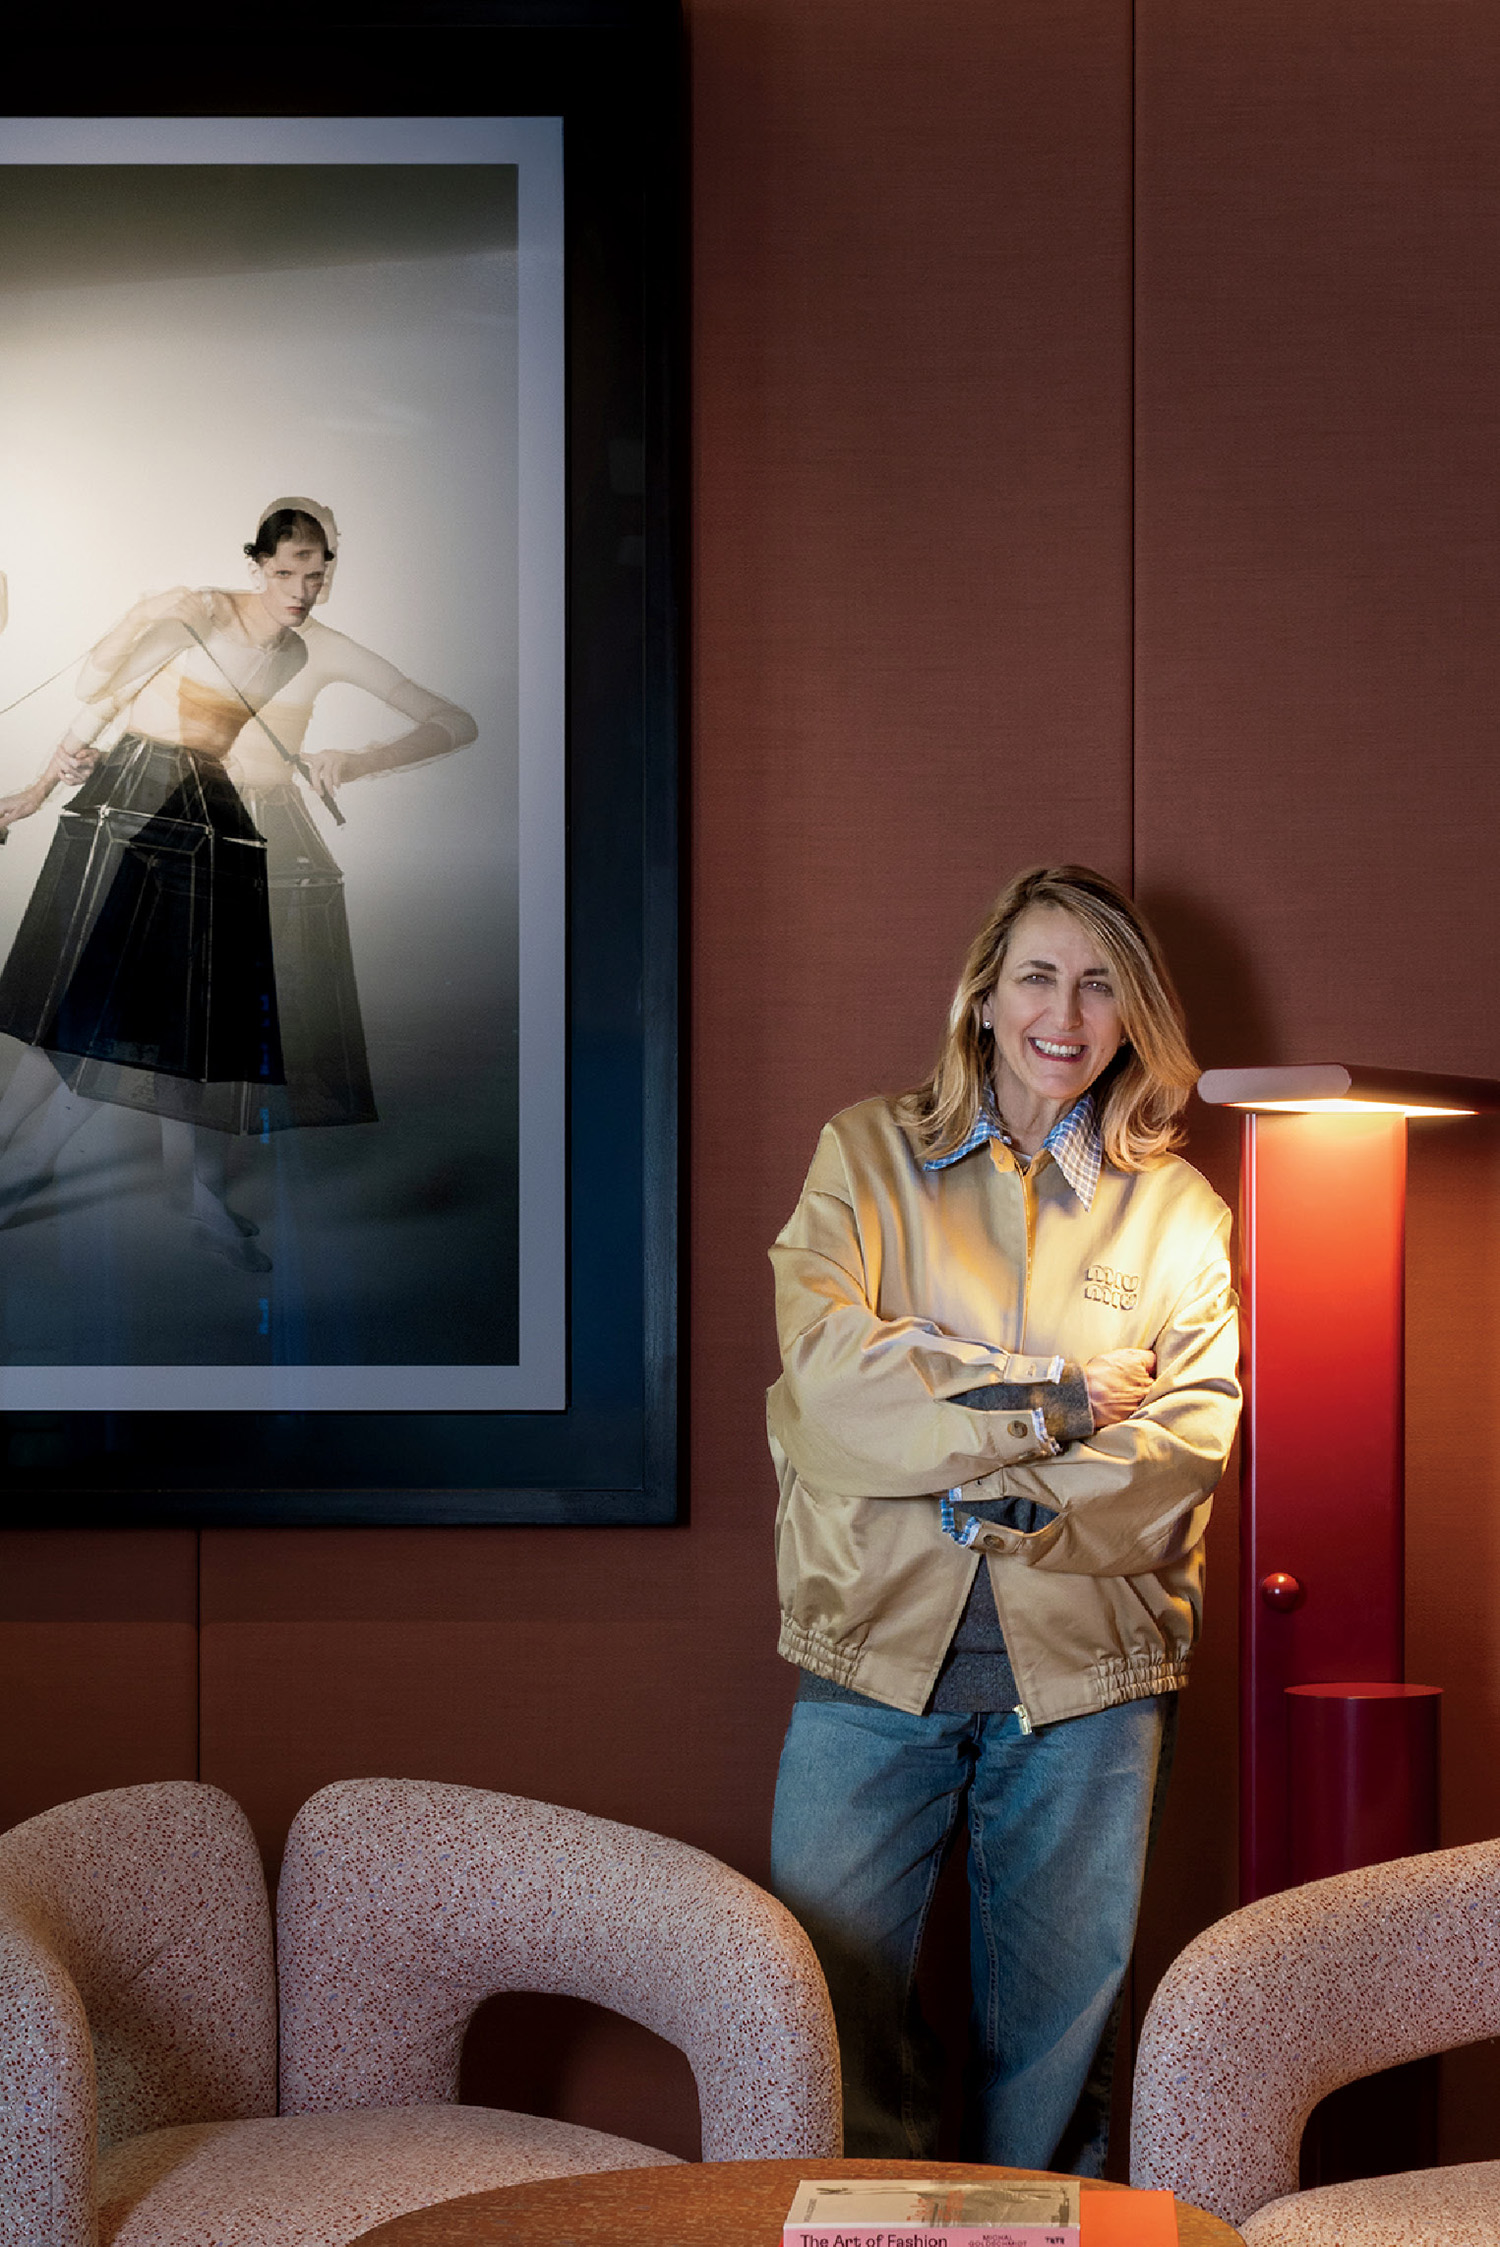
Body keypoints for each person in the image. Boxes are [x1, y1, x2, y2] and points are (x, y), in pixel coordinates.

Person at [766, 863, 1241, 2174]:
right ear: (983, 994)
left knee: (1055, 2050)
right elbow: (834, 1386)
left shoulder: (1181, 1214)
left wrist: (964, 1427)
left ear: (1134, 1013)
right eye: (1038, 973)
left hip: (1093, 1674)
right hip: (870, 1654)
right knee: (825, 2021)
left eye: (1101, 983)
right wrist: (1058, 1398)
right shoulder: (864, 1156)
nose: (1066, 1012)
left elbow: (1181, 1447)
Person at [0, 499, 474, 1271]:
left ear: (329, 575)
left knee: (189, 1027)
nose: (298, 588)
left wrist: (359, 760)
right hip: (140, 815)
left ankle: (177, 1189)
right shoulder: (199, 612)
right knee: (94, 1006)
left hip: (225, 834)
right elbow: (104, 691)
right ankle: (27, 1163)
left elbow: (453, 721)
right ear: (256, 561)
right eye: (284, 570)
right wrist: (35, 787)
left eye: (315, 575)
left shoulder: (314, 646)